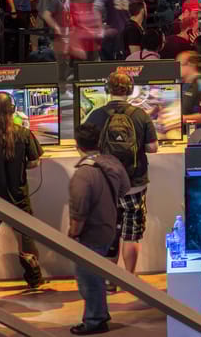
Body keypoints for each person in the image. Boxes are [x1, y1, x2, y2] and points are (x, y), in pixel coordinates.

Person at [83, 71, 158, 276]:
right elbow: (152, 148)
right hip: (135, 183)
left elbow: (84, 147)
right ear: (130, 90)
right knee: (132, 235)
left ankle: (110, 280)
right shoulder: (140, 115)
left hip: (106, 184)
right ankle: (129, 278)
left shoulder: (96, 115)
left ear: (108, 89)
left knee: (110, 232)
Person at [0, 92, 44, 290]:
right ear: (13, 110)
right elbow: (34, 162)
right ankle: (34, 280)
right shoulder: (24, 133)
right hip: (18, 198)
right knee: (26, 241)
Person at [67, 123, 131, 336]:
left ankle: (95, 320)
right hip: (109, 227)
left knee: (89, 279)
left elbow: (79, 211)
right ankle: (98, 315)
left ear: (77, 145)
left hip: (90, 234)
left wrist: (73, 234)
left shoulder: (83, 174)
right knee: (96, 276)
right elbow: (125, 188)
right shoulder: (112, 162)